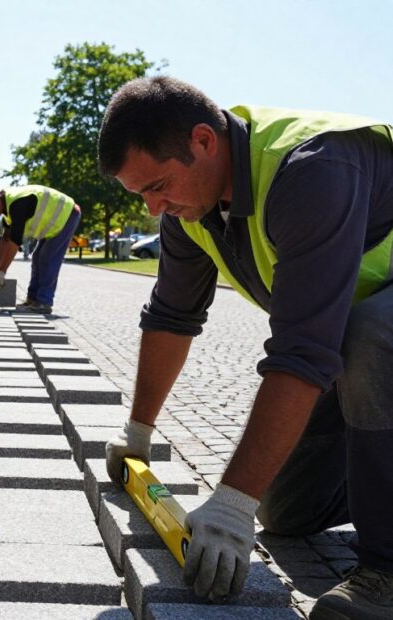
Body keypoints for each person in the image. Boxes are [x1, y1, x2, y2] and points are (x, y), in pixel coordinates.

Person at [97, 75, 393, 619]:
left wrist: (231, 503)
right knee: (284, 509)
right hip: (352, 332)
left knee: (372, 334)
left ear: (204, 141)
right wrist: (136, 431)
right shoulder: (191, 208)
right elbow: (170, 317)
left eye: (158, 186)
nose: (154, 208)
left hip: (375, 331)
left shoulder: (312, 170)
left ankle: (387, 572)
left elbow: (303, 352)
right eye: (141, 195)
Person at [0, 185, 81, 314]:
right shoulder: (7, 208)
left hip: (68, 214)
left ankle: (44, 302)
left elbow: (15, 242)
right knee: (37, 257)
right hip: (55, 222)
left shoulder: (17, 204)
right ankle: (32, 299)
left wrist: (3, 271)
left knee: (47, 258)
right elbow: (6, 239)